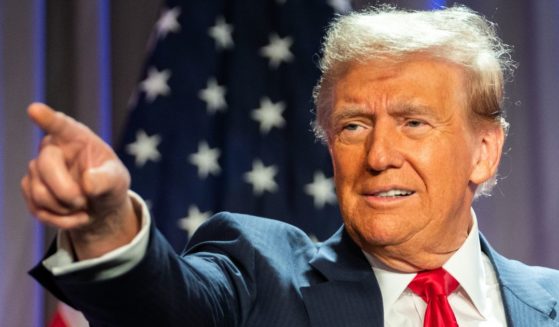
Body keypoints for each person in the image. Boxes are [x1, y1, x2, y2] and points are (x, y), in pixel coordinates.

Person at [23, 5, 559, 327]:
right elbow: (166, 309)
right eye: (352, 126)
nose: (377, 156)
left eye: (413, 122)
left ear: (484, 151)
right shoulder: (261, 278)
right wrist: (107, 226)